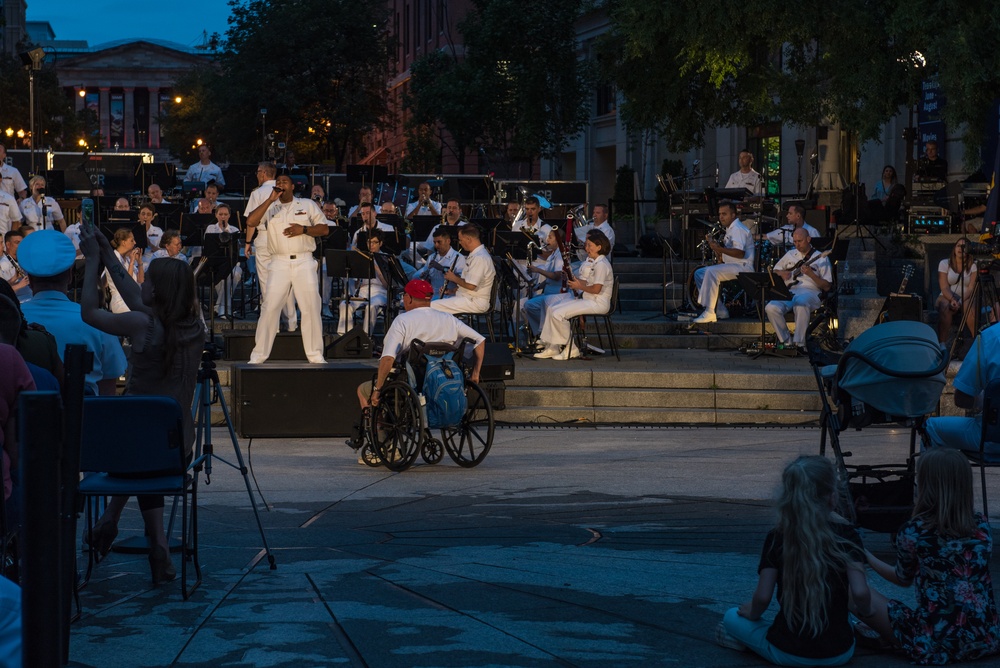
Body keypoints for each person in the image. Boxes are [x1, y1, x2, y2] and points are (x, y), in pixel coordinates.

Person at [78, 221, 205, 585]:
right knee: (148, 449)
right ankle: (157, 541)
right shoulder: (193, 326)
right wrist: (107, 251)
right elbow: (136, 297)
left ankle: (110, 520)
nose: (142, 282)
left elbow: (90, 313)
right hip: (175, 446)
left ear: (159, 290)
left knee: (135, 447)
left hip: (131, 449)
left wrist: (92, 264)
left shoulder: (141, 325)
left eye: (148, 278)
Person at [718, 456, 869, 666]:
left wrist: (750, 611)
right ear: (832, 498)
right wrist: (867, 611)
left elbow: (762, 598)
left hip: (788, 652)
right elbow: (860, 593)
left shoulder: (778, 537)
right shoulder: (847, 535)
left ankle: (744, 641)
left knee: (731, 616)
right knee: (846, 620)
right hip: (840, 653)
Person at [858, 448, 1000, 665]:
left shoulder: (914, 531)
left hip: (935, 643)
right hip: (986, 638)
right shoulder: (981, 525)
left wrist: (866, 555)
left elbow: (901, 579)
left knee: (853, 591)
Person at [349, 279, 485, 458]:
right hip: (444, 378)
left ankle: (384, 446)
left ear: (409, 298)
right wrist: (475, 374)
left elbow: (388, 358)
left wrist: (377, 389)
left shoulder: (403, 321)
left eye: (404, 296)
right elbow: (480, 340)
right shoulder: (449, 319)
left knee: (364, 390)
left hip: (412, 383)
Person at [18, 230, 127, 396]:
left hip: (27, 419)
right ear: (70, 276)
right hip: (87, 417)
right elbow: (107, 393)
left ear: (30, 281)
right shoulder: (99, 322)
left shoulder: (12, 320)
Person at [246, 174, 328, 364]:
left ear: (292, 186)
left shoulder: (306, 204)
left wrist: (304, 230)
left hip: (304, 260)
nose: (280, 184)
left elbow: (324, 229)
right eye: (278, 182)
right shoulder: (269, 206)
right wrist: (269, 200)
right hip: (278, 262)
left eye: (284, 182)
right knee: (269, 306)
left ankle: (315, 355)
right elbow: (250, 222)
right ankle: (258, 355)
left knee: (311, 307)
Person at [533, 229, 613, 360]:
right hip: (588, 299)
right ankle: (552, 347)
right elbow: (588, 282)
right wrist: (574, 279)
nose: (587, 248)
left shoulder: (602, 264)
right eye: (586, 245)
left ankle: (571, 348)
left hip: (597, 302)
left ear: (599, 247)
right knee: (552, 308)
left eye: (590, 246)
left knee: (559, 314)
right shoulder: (595, 261)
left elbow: (596, 289)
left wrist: (578, 286)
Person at [924, 322, 1000, 454]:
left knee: (931, 428)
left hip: (993, 439)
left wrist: (984, 399)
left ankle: (938, 475)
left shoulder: (991, 337)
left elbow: (962, 398)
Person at [244, 161, 297, 332]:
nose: (257, 175)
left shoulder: (258, 193)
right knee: (286, 281)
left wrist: (247, 243)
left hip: (265, 238)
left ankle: (272, 327)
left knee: (267, 283)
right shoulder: (284, 192)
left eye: (258, 172)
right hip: (284, 238)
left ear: (264, 173)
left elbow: (251, 221)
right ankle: (291, 324)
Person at [765, 227, 833, 352]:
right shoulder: (790, 254)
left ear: (808, 239)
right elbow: (774, 270)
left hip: (811, 291)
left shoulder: (821, 257)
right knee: (771, 307)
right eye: (795, 242)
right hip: (791, 290)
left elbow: (827, 286)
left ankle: (800, 344)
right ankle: (786, 342)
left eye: (800, 241)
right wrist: (782, 273)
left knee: (801, 303)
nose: (797, 245)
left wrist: (811, 274)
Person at [692, 202, 755, 324]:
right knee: (699, 273)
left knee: (711, 272)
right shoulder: (730, 229)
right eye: (720, 214)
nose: (721, 217)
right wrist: (715, 247)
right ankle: (720, 309)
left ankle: (710, 312)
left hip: (743, 267)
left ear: (733, 215)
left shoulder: (738, 229)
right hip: (732, 265)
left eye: (724, 214)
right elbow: (725, 255)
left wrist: (719, 249)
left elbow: (740, 253)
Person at [431, 224, 494, 315]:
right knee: (436, 304)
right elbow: (467, 281)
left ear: (468, 239)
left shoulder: (480, 258)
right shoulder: (475, 255)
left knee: (432, 306)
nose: (459, 242)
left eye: (460, 240)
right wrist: (452, 291)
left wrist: (453, 278)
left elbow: (471, 286)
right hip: (466, 298)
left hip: (475, 301)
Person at [338, 229, 389, 335]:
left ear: (380, 243)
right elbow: (357, 284)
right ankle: (345, 335)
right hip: (363, 290)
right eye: (369, 242)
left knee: (371, 305)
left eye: (375, 242)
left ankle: (366, 336)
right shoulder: (362, 257)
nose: (371, 245)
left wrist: (375, 266)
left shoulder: (386, 258)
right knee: (344, 304)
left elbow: (388, 284)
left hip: (380, 291)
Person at [522, 227, 566, 337]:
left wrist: (537, 270)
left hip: (556, 293)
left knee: (529, 305)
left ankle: (544, 333)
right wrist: (537, 287)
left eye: (550, 237)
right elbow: (549, 279)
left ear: (558, 240)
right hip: (549, 291)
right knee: (525, 305)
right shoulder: (553, 254)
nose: (547, 240)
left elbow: (556, 276)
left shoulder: (561, 255)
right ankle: (541, 333)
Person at [934, 238, 977, 344]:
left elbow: (971, 287)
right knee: (944, 306)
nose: (960, 249)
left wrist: (961, 301)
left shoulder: (974, 264)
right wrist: (952, 299)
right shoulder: (944, 263)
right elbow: (944, 287)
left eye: (963, 247)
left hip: (966, 296)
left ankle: (975, 342)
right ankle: (942, 344)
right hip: (947, 295)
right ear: (954, 248)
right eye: (958, 246)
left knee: (969, 308)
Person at [204, 204, 243, 319]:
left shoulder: (234, 230)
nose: (223, 217)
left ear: (229, 216)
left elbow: (237, 252)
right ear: (216, 215)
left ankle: (219, 306)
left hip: (231, 264)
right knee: (222, 277)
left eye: (225, 214)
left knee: (235, 274)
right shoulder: (211, 228)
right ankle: (225, 309)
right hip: (215, 264)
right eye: (220, 214)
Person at [415, 226, 466, 299]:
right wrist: (425, 277)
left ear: (448, 241)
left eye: (439, 242)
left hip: (449, 297)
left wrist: (442, 269)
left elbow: (462, 281)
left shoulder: (458, 258)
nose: (436, 245)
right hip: (433, 296)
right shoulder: (432, 257)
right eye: (434, 242)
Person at [105, 228, 144, 314]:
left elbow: (141, 280)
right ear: (123, 242)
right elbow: (126, 285)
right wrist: (132, 263)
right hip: (121, 300)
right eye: (132, 240)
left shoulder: (127, 259)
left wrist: (139, 262)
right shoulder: (114, 259)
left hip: (135, 298)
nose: (135, 243)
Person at [0, 230, 31, 303]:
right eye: (0, 243)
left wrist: (13, 279)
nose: (3, 246)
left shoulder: (22, 259)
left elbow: (2, 286)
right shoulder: (3, 264)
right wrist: (19, 285)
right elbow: (2, 292)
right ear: (8, 245)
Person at [136, 204, 164, 271]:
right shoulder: (132, 231)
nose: (145, 217)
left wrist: (150, 244)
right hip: (136, 261)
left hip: (151, 261)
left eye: (148, 215)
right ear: (139, 215)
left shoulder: (158, 231)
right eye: (143, 214)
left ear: (152, 217)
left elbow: (162, 252)